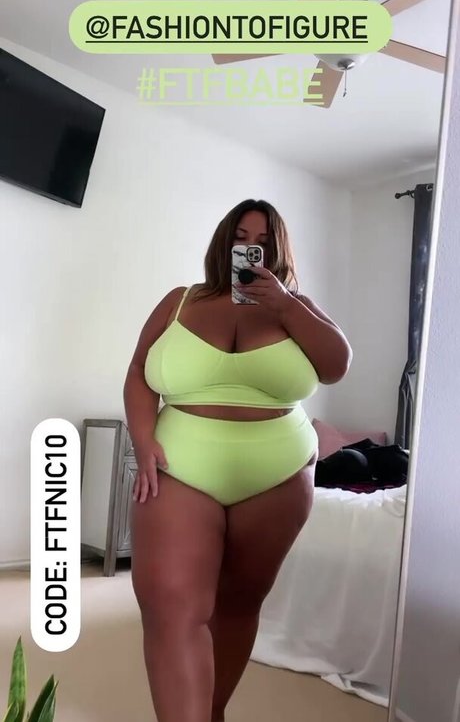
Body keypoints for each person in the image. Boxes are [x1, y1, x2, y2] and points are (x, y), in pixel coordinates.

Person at [123, 199, 352, 722]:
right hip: (179, 466)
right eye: (242, 238)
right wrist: (142, 438)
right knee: (170, 607)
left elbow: (336, 366)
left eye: (264, 242)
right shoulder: (180, 301)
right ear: (224, 242)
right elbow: (138, 370)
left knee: (240, 602)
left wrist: (285, 306)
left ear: (279, 251)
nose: (251, 250)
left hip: (278, 474)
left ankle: (213, 711)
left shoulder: (298, 307)